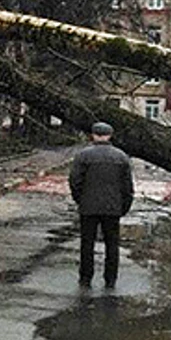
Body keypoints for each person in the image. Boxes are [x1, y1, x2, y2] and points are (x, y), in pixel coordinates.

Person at [68, 121, 134, 290]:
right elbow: (127, 186)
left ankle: (85, 277)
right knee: (112, 245)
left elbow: (75, 181)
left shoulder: (83, 155)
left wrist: (80, 199)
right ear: (110, 136)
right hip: (112, 207)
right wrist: (124, 206)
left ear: (93, 135)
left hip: (88, 206)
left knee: (87, 244)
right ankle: (110, 279)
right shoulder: (121, 157)